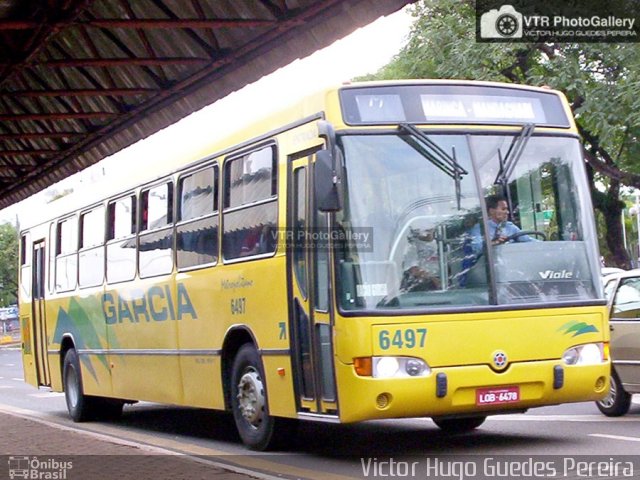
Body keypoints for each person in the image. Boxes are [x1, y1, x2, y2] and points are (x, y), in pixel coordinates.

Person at [468, 194, 534, 256]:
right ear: (492, 211)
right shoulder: (480, 229)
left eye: (507, 209)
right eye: (503, 209)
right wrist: (494, 243)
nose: (507, 212)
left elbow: (530, 241)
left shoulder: (510, 227)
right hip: (488, 265)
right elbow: (477, 249)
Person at [400, 227, 441, 292]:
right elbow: (413, 270)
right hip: (425, 284)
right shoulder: (411, 245)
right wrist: (433, 279)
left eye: (431, 228)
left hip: (445, 280)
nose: (429, 230)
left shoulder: (441, 241)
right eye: (426, 228)